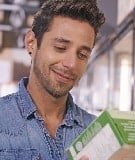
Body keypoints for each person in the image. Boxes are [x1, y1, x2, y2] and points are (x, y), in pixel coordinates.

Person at [0, 0, 105, 159]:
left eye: (82, 55)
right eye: (60, 48)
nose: (71, 64)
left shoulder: (97, 132)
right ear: (31, 43)